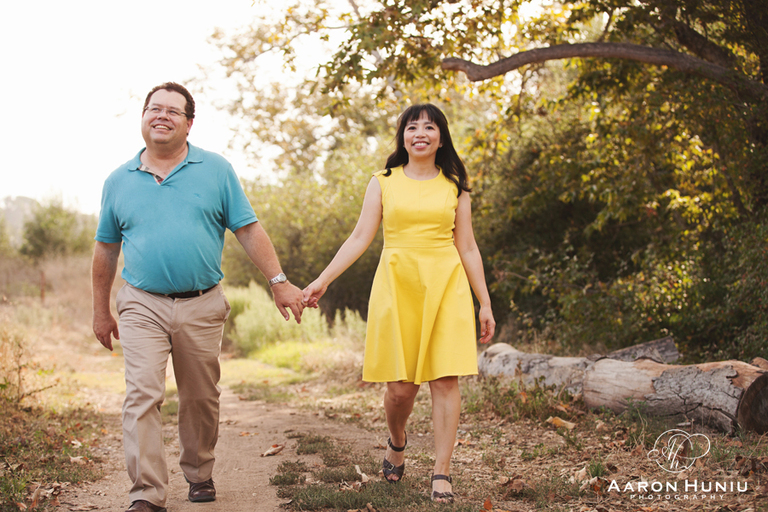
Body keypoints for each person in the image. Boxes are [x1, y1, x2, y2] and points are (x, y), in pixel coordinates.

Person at [91, 82, 305, 512]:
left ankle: (199, 470)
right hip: (140, 303)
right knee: (141, 395)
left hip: (202, 301)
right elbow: (105, 250)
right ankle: (147, 494)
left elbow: (247, 228)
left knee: (201, 397)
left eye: (173, 111)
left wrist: (278, 280)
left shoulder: (216, 170)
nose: (162, 116)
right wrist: (100, 312)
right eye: (155, 108)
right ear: (143, 117)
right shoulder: (118, 180)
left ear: (189, 123)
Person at [303, 103, 495, 503]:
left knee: (445, 379)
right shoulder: (383, 181)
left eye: (429, 127)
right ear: (402, 136)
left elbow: (469, 247)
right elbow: (359, 238)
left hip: (446, 286)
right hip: (397, 285)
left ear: (441, 137)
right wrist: (322, 280)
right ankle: (397, 439)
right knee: (401, 390)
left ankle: (442, 471)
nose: (420, 133)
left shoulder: (455, 187)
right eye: (412, 127)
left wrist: (484, 303)